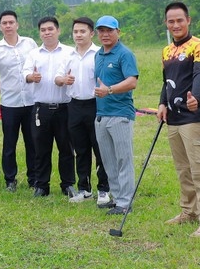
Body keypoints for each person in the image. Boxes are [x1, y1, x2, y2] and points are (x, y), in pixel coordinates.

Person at [157, 3, 200, 237]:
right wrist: (162, 103)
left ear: (188, 20)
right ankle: (189, 211)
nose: (175, 25)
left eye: (179, 20)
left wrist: (196, 96)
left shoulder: (198, 46)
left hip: (194, 117)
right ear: (166, 23)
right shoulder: (166, 51)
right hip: (173, 119)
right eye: (171, 21)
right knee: (183, 169)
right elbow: (167, 82)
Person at [0, 10, 39, 192]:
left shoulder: (29, 43)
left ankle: (34, 179)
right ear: (0, 27)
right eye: (4, 23)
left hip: (31, 100)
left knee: (33, 143)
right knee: (9, 144)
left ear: (17, 24)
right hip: (10, 104)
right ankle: (10, 180)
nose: (8, 26)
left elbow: (38, 62)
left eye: (11, 22)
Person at [56, 17, 111, 206]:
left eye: (83, 31)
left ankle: (104, 189)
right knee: (80, 149)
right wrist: (63, 80)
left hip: (96, 105)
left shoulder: (99, 54)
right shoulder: (68, 55)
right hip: (74, 106)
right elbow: (57, 77)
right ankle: (84, 189)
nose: (78, 35)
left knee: (100, 148)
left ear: (91, 33)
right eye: (75, 32)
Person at [21, 17, 75, 197]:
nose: (47, 32)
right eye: (43, 30)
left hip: (65, 107)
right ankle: (41, 185)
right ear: (40, 33)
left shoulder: (70, 52)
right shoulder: (34, 54)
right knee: (41, 149)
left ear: (58, 31)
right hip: (41, 108)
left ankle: (67, 184)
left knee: (66, 148)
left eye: (50, 29)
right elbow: (25, 73)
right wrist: (31, 77)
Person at [93, 15, 139, 215]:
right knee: (108, 160)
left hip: (120, 114)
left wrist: (109, 90)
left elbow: (132, 82)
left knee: (123, 159)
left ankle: (125, 202)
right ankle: (117, 196)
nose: (105, 34)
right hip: (101, 114)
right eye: (101, 30)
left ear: (118, 32)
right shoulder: (98, 55)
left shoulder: (125, 54)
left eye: (109, 30)